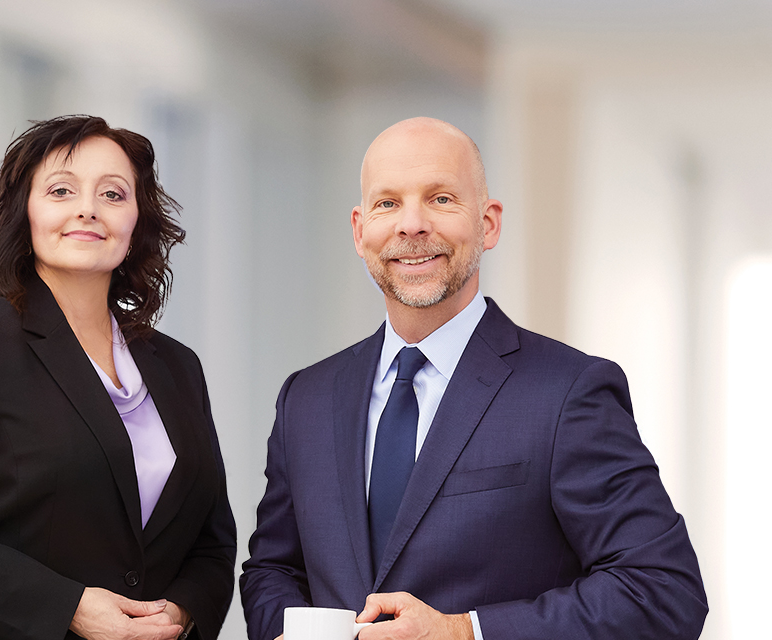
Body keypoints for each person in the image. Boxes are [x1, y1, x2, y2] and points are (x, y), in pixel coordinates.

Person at [239, 117, 706, 640]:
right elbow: (274, 570)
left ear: (488, 223)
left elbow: (664, 590)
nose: (411, 225)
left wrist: (466, 632)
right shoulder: (306, 398)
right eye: (387, 203)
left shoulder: (569, 392)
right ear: (359, 230)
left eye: (440, 199)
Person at [0, 115, 236, 640]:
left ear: (136, 221)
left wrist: (181, 610)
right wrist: (68, 607)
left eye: (113, 194)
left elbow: (211, 541)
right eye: (61, 190)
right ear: (25, 213)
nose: (88, 208)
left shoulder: (176, 365)